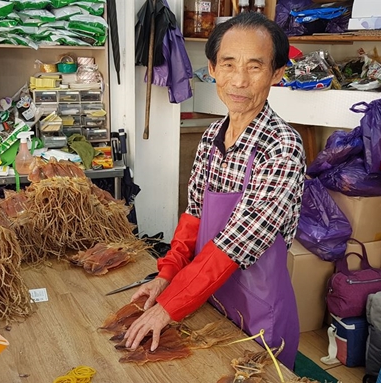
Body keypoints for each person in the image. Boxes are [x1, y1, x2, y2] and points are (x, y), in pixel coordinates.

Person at [124, 11, 306, 368]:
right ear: (212, 68)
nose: (239, 80)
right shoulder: (211, 137)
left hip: (258, 310)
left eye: (255, 66)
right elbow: (193, 216)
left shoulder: (282, 146)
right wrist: (166, 276)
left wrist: (170, 306)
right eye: (228, 64)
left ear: (277, 73)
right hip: (207, 297)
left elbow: (237, 243)